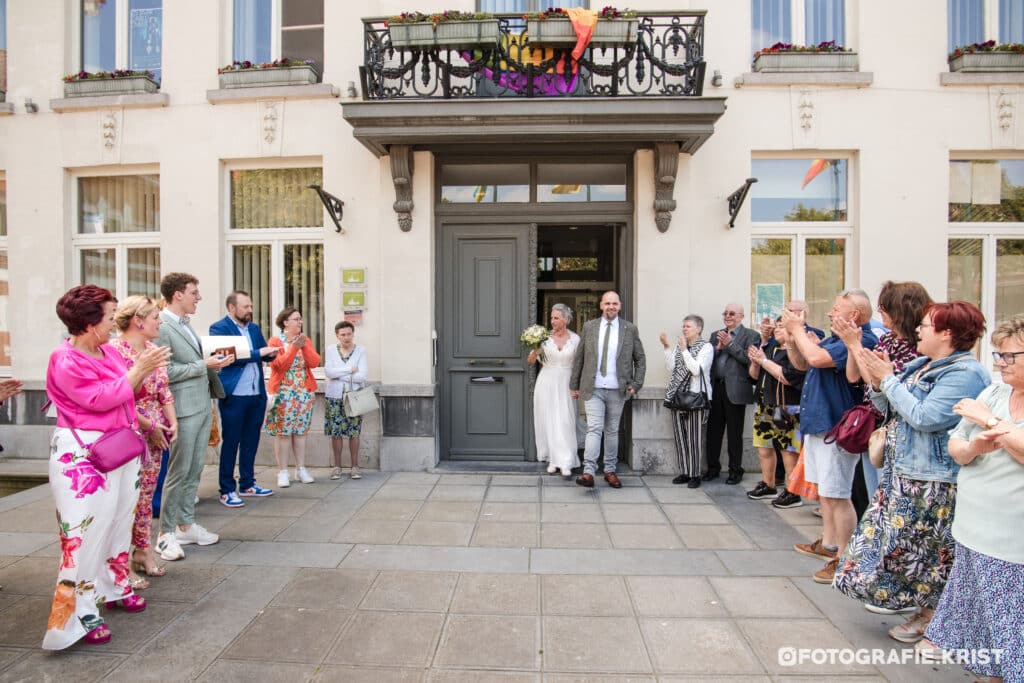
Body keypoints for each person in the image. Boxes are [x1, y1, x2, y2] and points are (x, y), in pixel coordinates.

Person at [832, 302, 989, 643]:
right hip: (901, 472)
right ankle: (914, 605)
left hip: (931, 480)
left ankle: (933, 617)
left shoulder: (965, 373)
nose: (919, 330)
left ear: (948, 333)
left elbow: (924, 417)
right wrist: (879, 383)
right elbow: (888, 407)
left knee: (927, 553)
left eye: (927, 325)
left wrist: (887, 379)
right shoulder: (922, 365)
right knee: (885, 543)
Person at [43, 285, 169, 649]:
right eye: (109, 316)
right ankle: (76, 616)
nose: (115, 322)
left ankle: (115, 585)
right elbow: (102, 399)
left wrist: (145, 418)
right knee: (82, 536)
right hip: (82, 460)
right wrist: (140, 369)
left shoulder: (105, 351)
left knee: (117, 523)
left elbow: (125, 397)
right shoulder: (64, 359)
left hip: (119, 449)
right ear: (87, 323)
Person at [920, 316, 1024, 681]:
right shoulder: (995, 392)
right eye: (999, 355)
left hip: (1011, 539)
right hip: (973, 528)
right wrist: (975, 445)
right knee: (984, 627)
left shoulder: (990, 407)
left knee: (1011, 626)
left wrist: (991, 423)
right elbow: (957, 445)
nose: (1000, 363)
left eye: (1010, 356)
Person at [783, 290, 877, 584]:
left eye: (837, 309)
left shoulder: (863, 340)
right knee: (825, 491)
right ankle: (829, 542)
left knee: (838, 494)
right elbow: (804, 362)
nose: (830, 314)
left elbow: (817, 358)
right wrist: (792, 339)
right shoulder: (837, 339)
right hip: (818, 424)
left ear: (855, 316)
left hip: (837, 427)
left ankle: (844, 558)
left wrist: (798, 330)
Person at [837, 281, 931, 519]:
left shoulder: (918, 347)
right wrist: (852, 348)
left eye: (884, 308)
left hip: (897, 431)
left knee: (888, 504)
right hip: (874, 426)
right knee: (873, 499)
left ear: (900, 310)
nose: (880, 313)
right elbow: (855, 377)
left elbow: (879, 382)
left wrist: (855, 345)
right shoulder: (888, 340)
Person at [155, 273, 230, 563]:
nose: (198, 297)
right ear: (177, 295)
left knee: (195, 468)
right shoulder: (162, 326)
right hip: (182, 409)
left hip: (200, 405)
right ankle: (165, 535)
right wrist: (203, 365)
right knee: (178, 470)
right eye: (193, 292)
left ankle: (185, 525)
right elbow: (164, 372)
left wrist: (214, 366)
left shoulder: (184, 325)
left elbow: (190, 365)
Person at [110, 296, 178, 588]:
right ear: (138, 321)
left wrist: (172, 421)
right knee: (125, 498)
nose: (159, 322)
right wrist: (150, 426)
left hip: (157, 430)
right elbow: (122, 396)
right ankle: (120, 561)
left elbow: (164, 391)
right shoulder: (114, 351)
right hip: (129, 428)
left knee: (147, 495)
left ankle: (143, 550)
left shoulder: (153, 349)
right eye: (154, 317)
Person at [570, 291, 645, 489]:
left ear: (619, 306)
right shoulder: (590, 327)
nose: (611, 306)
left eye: (614, 303)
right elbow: (580, 358)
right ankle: (588, 472)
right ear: (601, 305)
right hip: (593, 387)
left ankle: (610, 470)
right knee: (594, 429)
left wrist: (635, 384)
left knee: (611, 431)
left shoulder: (629, 329)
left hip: (617, 389)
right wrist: (574, 385)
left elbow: (640, 359)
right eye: (607, 303)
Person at [209, 290, 277, 508]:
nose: (250, 310)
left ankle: (248, 483)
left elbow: (261, 350)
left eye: (250, 306)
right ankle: (227, 489)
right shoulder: (219, 328)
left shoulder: (254, 328)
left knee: (251, 440)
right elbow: (228, 358)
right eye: (245, 306)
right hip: (235, 394)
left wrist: (272, 354)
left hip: (256, 393)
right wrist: (259, 353)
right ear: (232, 308)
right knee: (231, 442)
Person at [746, 317, 806, 506]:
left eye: (782, 326)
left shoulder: (795, 351)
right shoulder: (771, 348)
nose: (777, 329)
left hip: (785, 406)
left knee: (787, 449)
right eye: (777, 326)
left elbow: (788, 377)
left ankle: (792, 491)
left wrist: (763, 361)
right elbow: (754, 377)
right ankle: (768, 484)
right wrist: (756, 363)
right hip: (765, 404)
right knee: (763, 447)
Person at [704, 303, 761, 485]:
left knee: (734, 434)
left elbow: (749, 360)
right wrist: (717, 348)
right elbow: (706, 361)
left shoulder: (751, 336)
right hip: (716, 389)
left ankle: (735, 470)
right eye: (725, 313)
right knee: (713, 432)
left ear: (741, 316)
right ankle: (713, 468)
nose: (728, 316)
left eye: (732, 313)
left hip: (736, 390)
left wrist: (730, 345)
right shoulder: (715, 335)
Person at [266, 307, 321, 487]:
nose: (300, 322)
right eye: (296, 319)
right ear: (285, 322)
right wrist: (293, 348)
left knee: (301, 432)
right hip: (283, 392)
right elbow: (279, 366)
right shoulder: (275, 341)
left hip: (303, 391)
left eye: (300, 319)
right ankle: (282, 471)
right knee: (283, 433)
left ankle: (301, 469)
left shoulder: (305, 340)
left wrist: (303, 345)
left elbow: (314, 362)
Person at [660, 314, 712, 488]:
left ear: (698, 329)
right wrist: (667, 347)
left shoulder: (706, 347)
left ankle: (695, 474)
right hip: (677, 396)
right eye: (683, 326)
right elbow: (671, 368)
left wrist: (684, 351)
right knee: (680, 437)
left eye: (688, 326)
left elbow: (697, 370)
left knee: (694, 438)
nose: (684, 329)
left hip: (696, 398)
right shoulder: (679, 346)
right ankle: (684, 471)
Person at [529, 304, 581, 477]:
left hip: (567, 383)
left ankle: (566, 461)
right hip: (547, 382)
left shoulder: (575, 339)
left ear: (566, 319)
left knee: (565, 420)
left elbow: (579, 365)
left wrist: (577, 386)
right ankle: (553, 458)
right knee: (549, 420)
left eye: (556, 318)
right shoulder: (544, 338)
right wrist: (535, 348)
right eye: (551, 318)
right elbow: (530, 360)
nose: (552, 321)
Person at [324, 321, 368, 480]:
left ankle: (355, 467)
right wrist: (350, 370)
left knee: (354, 432)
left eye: (349, 334)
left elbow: (362, 376)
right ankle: (337, 466)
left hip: (354, 396)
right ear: (337, 335)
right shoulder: (330, 350)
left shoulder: (360, 350)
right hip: (334, 396)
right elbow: (328, 372)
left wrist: (338, 374)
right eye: (343, 334)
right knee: (336, 433)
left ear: (353, 334)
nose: (346, 337)